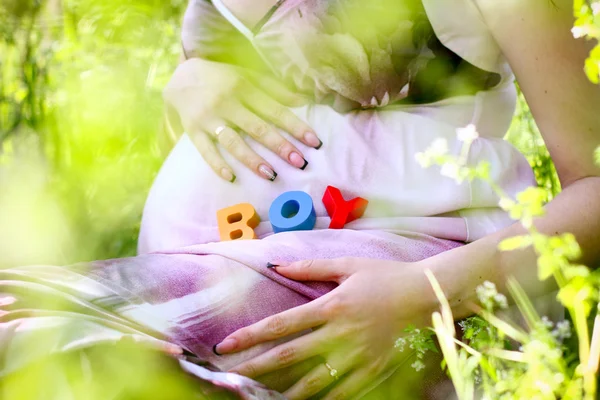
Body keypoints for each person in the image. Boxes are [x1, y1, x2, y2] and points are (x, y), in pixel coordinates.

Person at [1, 0, 599, 399]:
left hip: (384, 274)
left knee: (61, 353)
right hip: (189, 261)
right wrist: (186, 86)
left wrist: (431, 292)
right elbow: (200, 124)